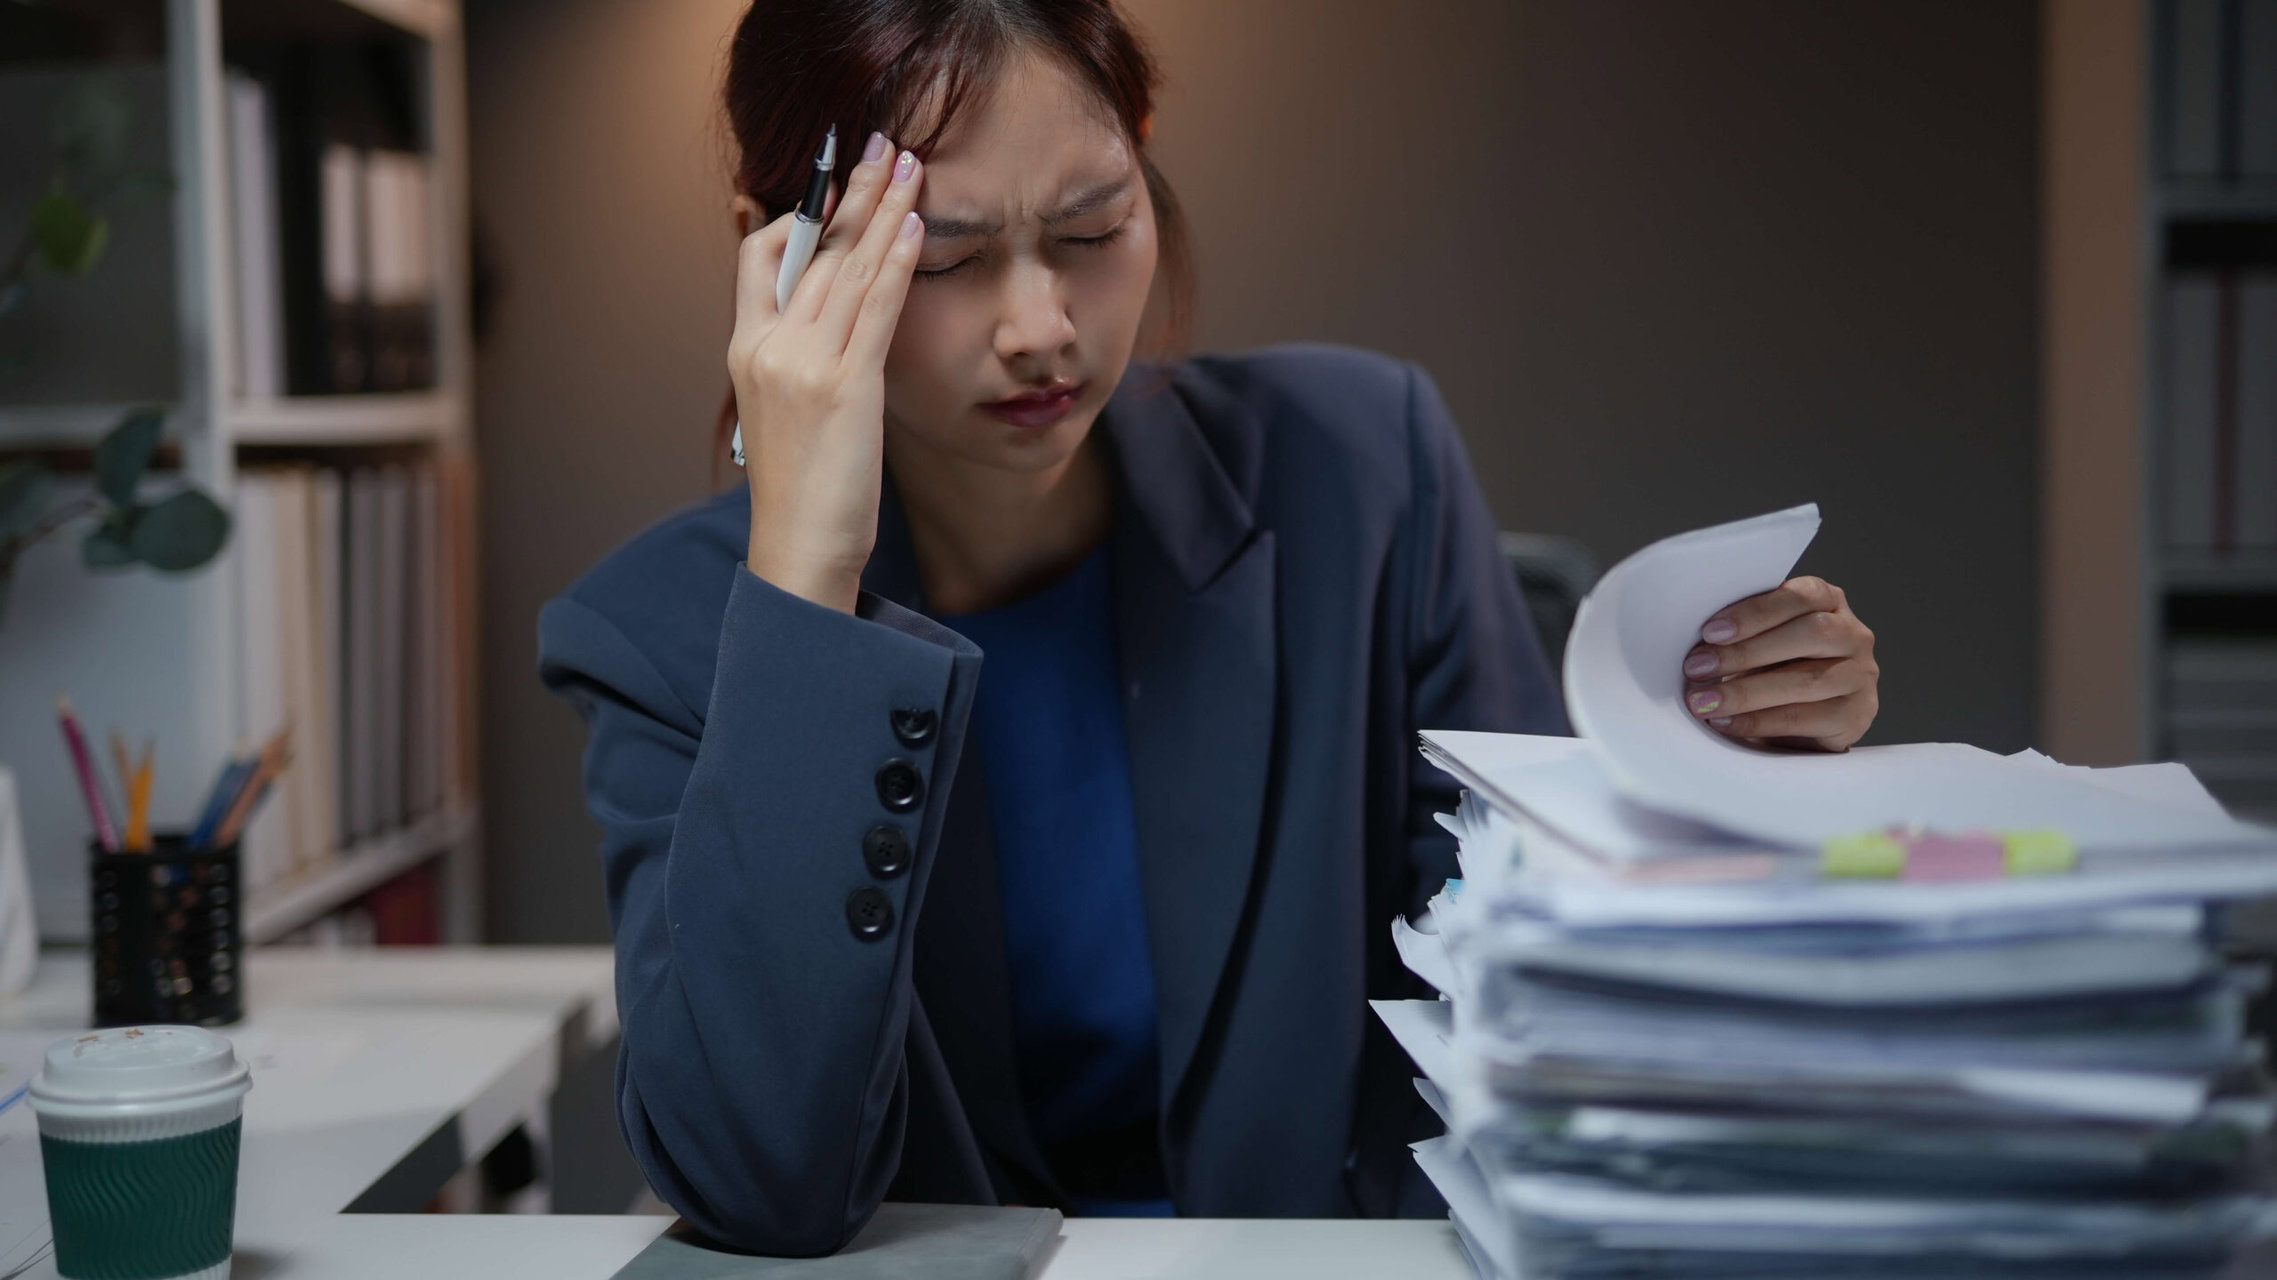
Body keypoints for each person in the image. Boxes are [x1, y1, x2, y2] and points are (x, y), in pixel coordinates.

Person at [538, 0, 1880, 1256]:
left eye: (1087, 228)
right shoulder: (662, 635)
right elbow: (756, 1180)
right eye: (941, 256)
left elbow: (1544, 980)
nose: (1039, 327)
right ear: (778, 263)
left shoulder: (1362, 466)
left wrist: (1722, 766)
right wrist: (807, 577)